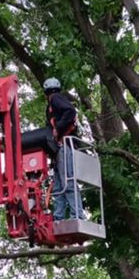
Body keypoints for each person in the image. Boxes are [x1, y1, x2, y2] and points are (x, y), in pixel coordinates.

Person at [43, 78, 85, 221]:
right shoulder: (52, 106)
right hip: (58, 149)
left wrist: (58, 128)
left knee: (68, 181)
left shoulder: (55, 99)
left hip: (65, 146)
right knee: (58, 185)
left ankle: (77, 215)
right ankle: (58, 216)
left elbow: (70, 111)